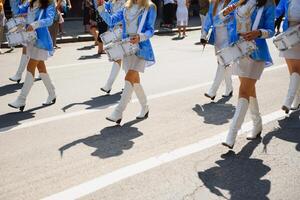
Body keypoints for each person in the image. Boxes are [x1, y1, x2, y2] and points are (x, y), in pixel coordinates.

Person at [220, 0, 275, 148]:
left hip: (256, 51)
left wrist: (258, 33)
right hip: (239, 50)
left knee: (243, 90)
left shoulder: (267, 3)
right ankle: (257, 124)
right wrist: (227, 10)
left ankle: (231, 134)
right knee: (249, 89)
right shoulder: (238, 1)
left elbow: (271, 30)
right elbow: (222, 19)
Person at [96, 0, 157, 124]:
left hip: (141, 47)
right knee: (135, 81)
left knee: (129, 77)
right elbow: (111, 20)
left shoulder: (149, 7)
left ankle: (118, 112)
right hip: (127, 47)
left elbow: (150, 30)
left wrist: (140, 37)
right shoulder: (126, 6)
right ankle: (145, 107)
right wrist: (101, 8)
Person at [8, 0, 56, 112]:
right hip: (30, 39)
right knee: (41, 68)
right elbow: (17, 11)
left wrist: (35, 24)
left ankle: (21, 99)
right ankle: (52, 93)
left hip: (41, 42)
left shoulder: (49, 3)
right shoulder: (29, 3)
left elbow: (49, 20)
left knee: (30, 67)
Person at [201, 0, 234, 101]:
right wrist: (204, 33)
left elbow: (233, 19)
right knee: (224, 63)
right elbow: (208, 19)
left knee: (222, 62)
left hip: (229, 35)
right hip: (217, 37)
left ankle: (212, 91)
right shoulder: (214, 3)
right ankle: (229, 88)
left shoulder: (233, 2)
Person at [276, 0, 300, 113]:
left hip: (298, 33)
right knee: (293, 72)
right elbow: (277, 11)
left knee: (296, 70)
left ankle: (288, 101)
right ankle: (298, 99)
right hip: (288, 34)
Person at [100, 0, 126, 94]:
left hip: (126, 32)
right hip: (115, 32)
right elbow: (104, 11)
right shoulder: (111, 2)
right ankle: (109, 85)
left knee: (127, 59)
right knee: (118, 58)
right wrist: (101, 4)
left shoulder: (128, 2)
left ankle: (127, 85)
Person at [9, 0, 31, 83]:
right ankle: (42, 72)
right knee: (34, 52)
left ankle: (18, 74)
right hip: (26, 25)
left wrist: (23, 15)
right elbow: (16, 11)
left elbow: (36, 11)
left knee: (28, 50)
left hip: (33, 27)